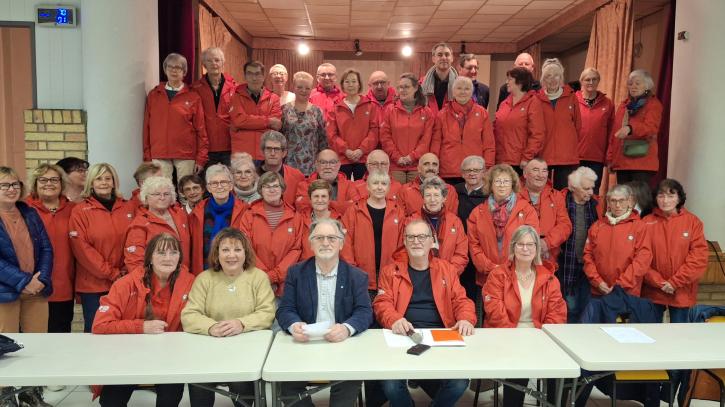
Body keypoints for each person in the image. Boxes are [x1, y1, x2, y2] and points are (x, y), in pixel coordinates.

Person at [374, 219, 475, 407]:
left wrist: (466, 319)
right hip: (404, 335)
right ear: (404, 241)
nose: (416, 241)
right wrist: (394, 319)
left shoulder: (447, 269)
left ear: (432, 241)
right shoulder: (390, 271)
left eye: (422, 236)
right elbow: (382, 303)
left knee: (459, 382)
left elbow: (461, 300)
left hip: (441, 335)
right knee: (390, 384)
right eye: (411, 237)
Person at [276, 218, 372, 407]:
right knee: (285, 382)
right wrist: (294, 325)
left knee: (350, 379)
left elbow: (364, 311)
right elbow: (285, 309)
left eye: (331, 238)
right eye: (319, 238)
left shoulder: (357, 276)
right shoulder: (296, 273)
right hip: (304, 344)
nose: (325, 243)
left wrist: (346, 328)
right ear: (311, 244)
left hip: (342, 345)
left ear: (341, 244)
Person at [92, 233, 194, 407]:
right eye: (161, 253)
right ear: (150, 257)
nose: (168, 258)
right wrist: (141, 327)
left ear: (180, 257)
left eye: (173, 252)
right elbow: (100, 325)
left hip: (170, 356)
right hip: (129, 355)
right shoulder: (126, 284)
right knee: (111, 402)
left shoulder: (190, 282)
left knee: (169, 400)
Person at [182, 228, 275, 406]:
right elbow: (189, 314)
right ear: (217, 254)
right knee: (199, 383)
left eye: (237, 249)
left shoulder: (258, 277)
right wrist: (210, 327)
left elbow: (267, 312)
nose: (231, 255)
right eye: (225, 250)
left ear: (246, 253)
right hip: (209, 351)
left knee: (241, 385)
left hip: (247, 351)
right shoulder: (204, 279)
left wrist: (241, 323)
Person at [483, 225, 567, 407]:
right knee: (518, 367)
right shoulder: (498, 275)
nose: (525, 249)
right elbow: (495, 313)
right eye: (520, 244)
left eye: (530, 244)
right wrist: (516, 340)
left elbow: (557, 314)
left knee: (560, 368)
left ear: (537, 248)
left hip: (540, 337)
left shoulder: (550, 278)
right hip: (506, 337)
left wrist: (541, 340)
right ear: (513, 247)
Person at [0, 166, 54, 407]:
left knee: (37, 346)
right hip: (5, 293)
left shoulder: (29, 213)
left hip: (36, 291)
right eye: (4, 185)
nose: (11, 189)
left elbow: (46, 248)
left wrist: (40, 280)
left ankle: (31, 393)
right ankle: (5, 397)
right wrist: (23, 281)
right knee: (4, 349)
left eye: (15, 184)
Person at [69, 163, 133, 332]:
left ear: (114, 182)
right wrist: (112, 273)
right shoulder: (80, 211)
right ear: (91, 183)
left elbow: (135, 242)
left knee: (124, 332)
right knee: (96, 331)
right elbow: (82, 249)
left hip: (125, 282)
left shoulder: (128, 207)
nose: (104, 182)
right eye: (98, 179)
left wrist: (125, 272)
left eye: (108, 178)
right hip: (93, 286)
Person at [467, 164, 539, 307]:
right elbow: (474, 246)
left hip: (518, 276)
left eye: (506, 181)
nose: (502, 185)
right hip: (487, 277)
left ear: (512, 184)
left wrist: (511, 269)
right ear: (490, 185)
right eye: (497, 181)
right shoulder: (477, 213)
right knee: (490, 316)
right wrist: (491, 268)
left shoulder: (527, 210)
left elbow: (531, 243)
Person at [642, 179, 708, 322]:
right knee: (649, 332)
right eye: (661, 196)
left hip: (681, 291)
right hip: (653, 290)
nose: (665, 200)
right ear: (655, 198)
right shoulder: (645, 222)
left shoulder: (693, 222)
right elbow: (640, 258)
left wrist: (674, 283)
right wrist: (659, 282)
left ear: (679, 198)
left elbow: (698, 258)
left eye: (671, 196)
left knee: (679, 333)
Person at [26, 164, 76, 334]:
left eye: (54, 180)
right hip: (32, 286)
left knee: (60, 336)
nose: (49, 183)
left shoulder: (74, 209)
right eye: (43, 180)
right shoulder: (23, 209)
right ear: (35, 183)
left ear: (62, 183)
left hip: (64, 286)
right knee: (32, 339)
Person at [143, 53, 208, 179]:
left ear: (184, 72)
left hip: (186, 154)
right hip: (159, 153)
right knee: (161, 189)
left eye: (178, 67)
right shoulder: (154, 95)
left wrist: (201, 158)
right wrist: (147, 156)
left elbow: (201, 130)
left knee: (187, 189)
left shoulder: (193, 96)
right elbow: (147, 127)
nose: (173, 70)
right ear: (165, 69)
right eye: (170, 67)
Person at [342, 171, 405, 300]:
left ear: (389, 187)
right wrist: (351, 268)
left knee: (386, 309)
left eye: (384, 184)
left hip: (389, 274)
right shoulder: (354, 210)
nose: (379, 187)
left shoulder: (397, 211)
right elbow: (346, 241)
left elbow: (402, 242)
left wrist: (397, 267)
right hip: (361, 273)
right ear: (368, 186)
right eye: (375, 183)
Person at [239, 171, 303, 297]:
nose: (271, 190)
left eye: (275, 186)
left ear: (282, 189)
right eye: (267, 186)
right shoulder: (249, 215)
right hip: (255, 282)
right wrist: (264, 276)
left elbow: (296, 249)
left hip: (286, 285)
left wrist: (274, 276)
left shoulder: (295, 216)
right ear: (261, 190)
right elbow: (245, 247)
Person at [583, 184, 652, 297]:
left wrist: (620, 285)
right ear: (608, 203)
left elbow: (642, 260)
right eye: (613, 201)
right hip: (599, 291)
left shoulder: (640, 227)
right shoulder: (597, 226)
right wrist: (598, 282)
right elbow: (588, 256)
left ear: (629, 201)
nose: (618, 205)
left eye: (621, 200)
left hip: (628, 292)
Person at [557, 166, 601, 323]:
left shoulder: (596, 204)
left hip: (591, 265)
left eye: (592, 188)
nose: (591, 192)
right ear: (573, 187)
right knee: (570, 308)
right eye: (586, 188)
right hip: (566, 264)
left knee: (587, 309)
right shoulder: (561, 202)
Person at [432, 76, 495, 184]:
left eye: (467, 89)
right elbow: (436, 143)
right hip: (448, 172)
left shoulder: (482, 113)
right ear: (453, 92)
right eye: (459, 88)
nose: (463, 92)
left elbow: (489, 144)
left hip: (474, 171)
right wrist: (434, 166)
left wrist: (488, 167)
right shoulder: (441, 115)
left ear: (472, 92)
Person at [401, 176, 469, 275]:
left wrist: (447, 273)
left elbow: (461, 254)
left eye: (436, 195)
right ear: (423, 198)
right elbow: (403, 251)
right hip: (418, 276)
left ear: (444, 198)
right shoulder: (411, 221)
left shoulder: (455, 222)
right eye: (428, 195)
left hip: (447, 277)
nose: (432, 199)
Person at [606, 69, 663, 185]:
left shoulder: (653, 104)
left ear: (647, 86)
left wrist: (630, 128)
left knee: (639, 197)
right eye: (630, 83)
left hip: (642, 163)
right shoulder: (624, 105)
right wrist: (610, 158)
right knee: (623, 197)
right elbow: (615, 134)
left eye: (638, 83)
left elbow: (651, 128)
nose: (633, 86)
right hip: (622, 163)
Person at [189, 164, 248, 275]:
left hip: (236, 272)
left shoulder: (245, 210)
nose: (219, 186)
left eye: (224, 182)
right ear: (208, 188)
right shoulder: (197, 212)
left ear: (231, 185)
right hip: (205, 272)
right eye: (214, 183)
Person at [124, 176, 191, 271]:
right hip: (158, 278)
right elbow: (134, 263)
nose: (162, 198)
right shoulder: (139, 225)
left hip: (185, 275)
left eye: (166, 194)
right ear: (146, 198)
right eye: (156, 194)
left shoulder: (180, 214)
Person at [380, 72, 433, 184]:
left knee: (416, 193)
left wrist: (412, 157)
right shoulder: (390, 110)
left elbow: (426, 139)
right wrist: (397, 157)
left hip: (417, 165)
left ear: (415, 88)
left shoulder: (427, 112)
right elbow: (385, 137)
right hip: (395, 164)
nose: (402, 90)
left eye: (406, 87)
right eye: (400, 87)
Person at [536, 58, 581, 189]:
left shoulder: (572, 97)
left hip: (567, 157)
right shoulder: (536, 99)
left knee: (563, 194)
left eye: (556, 75)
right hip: (543, 155)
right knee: (543, 193)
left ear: (561, 77)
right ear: (543, 79)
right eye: (548, 76)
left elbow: (578, 126)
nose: (553, 79)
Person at [327, 68, 380, 180]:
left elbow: (374, 131)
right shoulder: (335, 108)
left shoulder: (370, 106)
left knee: (363, 189)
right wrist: (346, 150)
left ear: (359, 84)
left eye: (354, 81)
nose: (350, 85)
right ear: (342, 85)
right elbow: (331, 134)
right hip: (342, 158)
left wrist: (361, 150)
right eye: (347, 82)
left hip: (364, 158)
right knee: (342, 189)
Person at [191, 47, 238, 167]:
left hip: (230, 147)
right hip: (206, 148)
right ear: (204, 64)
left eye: (217, 60)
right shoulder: (195, 89)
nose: (214, 63)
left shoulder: (235, 88)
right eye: (209, 60)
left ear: (223, 63)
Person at [494, 67, 546, 176]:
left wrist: (527, 157)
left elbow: (537, 134)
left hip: (520, 163)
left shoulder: (533, 102)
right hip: (500, 161)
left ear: (520, 82)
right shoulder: (504, 103)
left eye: (510, 79)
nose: (506, 82)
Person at [519, 158, 572, 262]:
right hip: (520, 256)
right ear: (525, 174)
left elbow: (565, 225)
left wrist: (546, 243)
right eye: (535, 170)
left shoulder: (557, 196)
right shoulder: (514, 196)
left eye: (544, 171)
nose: (541, 175)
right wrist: (528, 244)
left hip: (549, 258)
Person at [229, 60, 282, 160]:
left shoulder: (274, 98)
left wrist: (247, 123)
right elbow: (239, 121)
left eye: (257, 74)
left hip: (266, 154)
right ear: (245, 76)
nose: (254, 78)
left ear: (263, 76)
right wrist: (268, 121)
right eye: (250, 74)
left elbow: (276, 125)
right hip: (241, 155)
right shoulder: (236, 96)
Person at [455, 155, 488, 312]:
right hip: (458, 247)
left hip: (480, 247)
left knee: (477, 290)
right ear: (462, 173)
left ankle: (476, 319)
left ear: (484, 172)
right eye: (468, 170)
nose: (472, 173)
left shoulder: (489, 194)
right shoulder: (455, 191)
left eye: (476, 170)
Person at [281, 71, 329, 176]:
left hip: (311, 166)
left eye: (307, 88)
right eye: (300, 87)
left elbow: (323, 140)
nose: (303, 91)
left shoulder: (317, 111)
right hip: (289, 165)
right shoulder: (284, 109)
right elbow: (279, 138)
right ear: (293, 87)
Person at [576, 67, 614, 192]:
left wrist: (609, 156)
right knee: (574, 192)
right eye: (587, 80)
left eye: (594, 79)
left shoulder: (608, 103)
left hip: (597, 158)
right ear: (581, 81)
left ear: (598, 81)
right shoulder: (572, 100)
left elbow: (611, 132)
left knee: (592, 192)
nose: (591, 82)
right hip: (575, 157)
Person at [294, 149, 360, 214]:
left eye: (332, 162)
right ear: (316, 165)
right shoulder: (304, 185)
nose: (328, 166)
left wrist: (318, 204)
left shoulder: (350, 185)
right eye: (323, 162)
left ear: (339, 165)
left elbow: (355, 208)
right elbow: (302, 209)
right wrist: (342, 205)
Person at [258, 130, 306, 206]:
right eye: (268, 148)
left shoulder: (297, 176)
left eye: (277, 149)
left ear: (284, 153)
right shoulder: (252, 175)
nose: (272, 153)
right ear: (262, 152)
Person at [300, 179, 343, 260]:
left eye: (323, 196)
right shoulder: (300, 220)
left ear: (329, 199)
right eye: (316, 196)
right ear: (310, 199)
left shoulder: (340, 221)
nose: (319, 200)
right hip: (306, 265)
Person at [420, 42, 457, 115]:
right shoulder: (421, 85)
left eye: (447, 54)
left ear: (452, 58)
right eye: (440, 55)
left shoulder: (460, 85)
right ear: (433, 59)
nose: (444, 58)